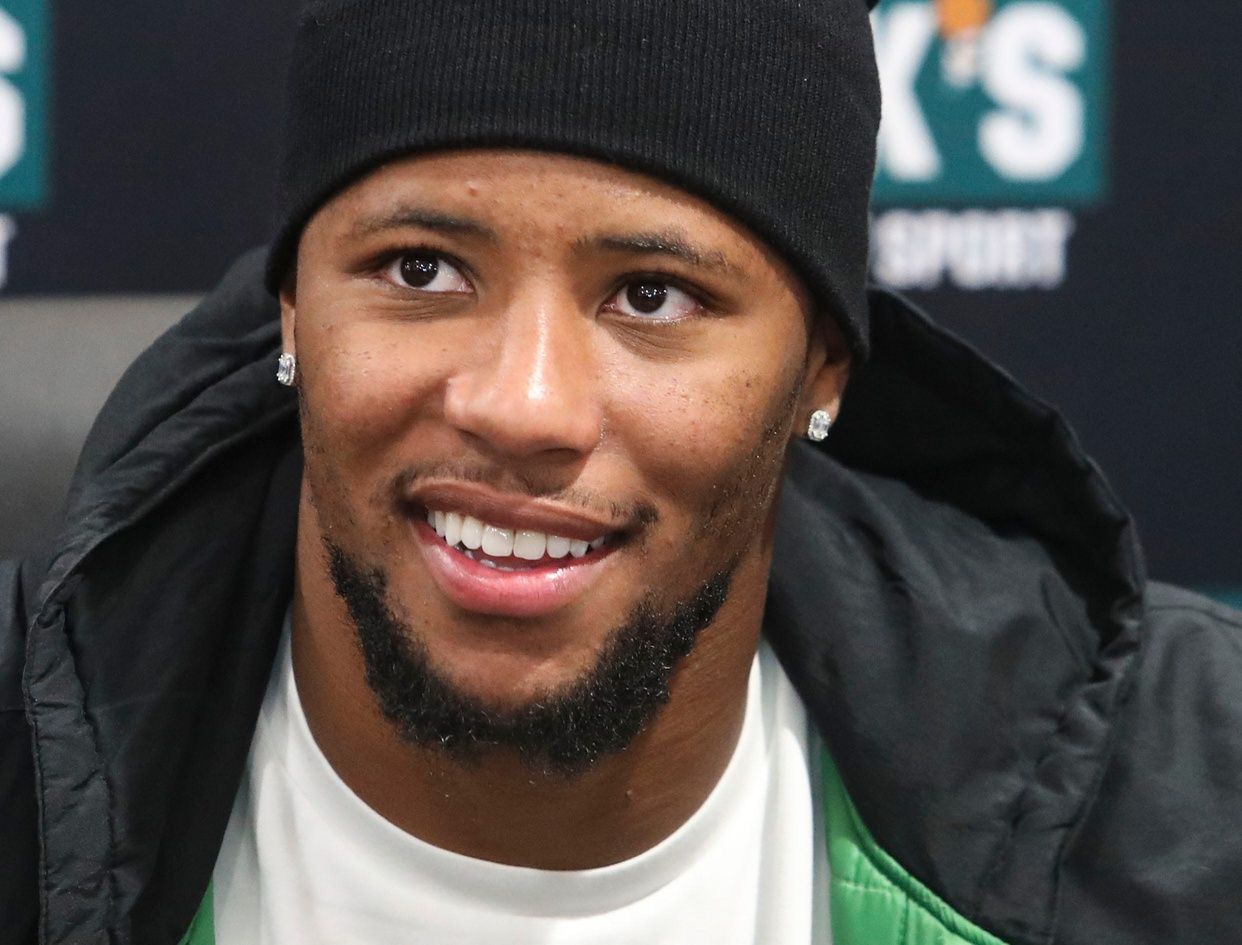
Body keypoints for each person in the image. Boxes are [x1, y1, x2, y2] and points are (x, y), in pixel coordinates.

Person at [3, 1, 1241, 943]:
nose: (523, 405)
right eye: (423, 269)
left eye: (652, 295)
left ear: (824, 367)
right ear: (288, 308)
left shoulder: (1193, 798)